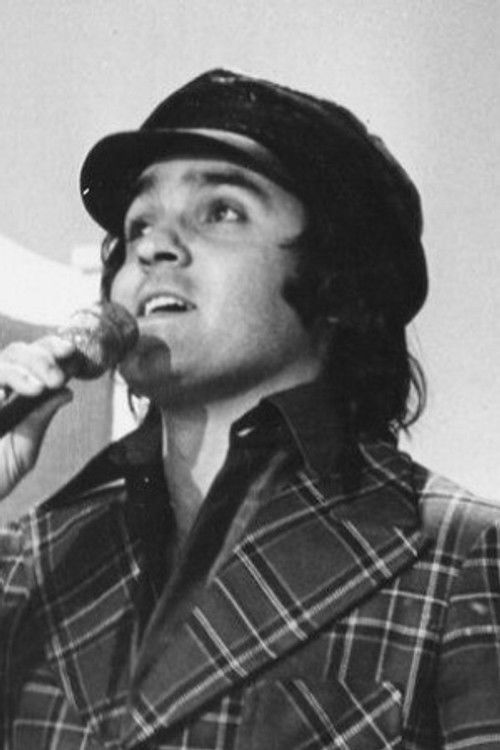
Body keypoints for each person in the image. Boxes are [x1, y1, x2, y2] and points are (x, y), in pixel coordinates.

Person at [0, 69, 499, 750]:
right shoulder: (28, 560)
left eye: (221, 211)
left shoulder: (460, 556)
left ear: (338, 282)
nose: (152, 245)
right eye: (138, 224)